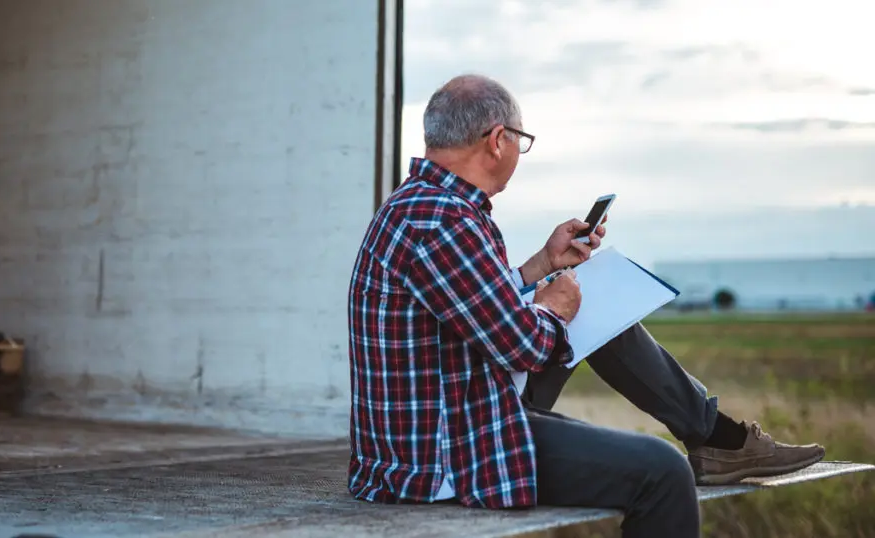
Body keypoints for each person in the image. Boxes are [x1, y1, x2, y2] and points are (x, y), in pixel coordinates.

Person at [345, 74, 825, 538]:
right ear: (497, 140)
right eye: (521, 140)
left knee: (589, 293)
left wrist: (542, 266)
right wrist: (552, 308)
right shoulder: (441, 220)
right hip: (448, 449)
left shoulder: (427, 206)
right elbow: (523, 347)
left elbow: (468, 306)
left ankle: (715, 438)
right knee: (663, 472)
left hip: (456, 409)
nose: (519, 152)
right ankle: (713, 441)